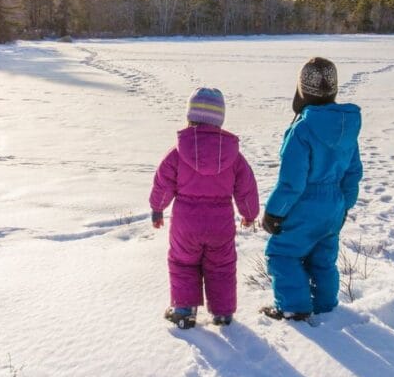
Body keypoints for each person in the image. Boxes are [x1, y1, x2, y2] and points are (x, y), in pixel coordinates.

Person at [260, 57, 363, 321]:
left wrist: (274, 212)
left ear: (302, 90)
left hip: (305, 204)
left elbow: (292, 182)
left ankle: (294, 307)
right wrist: (345, 205)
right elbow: (353, 173)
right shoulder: (347, 127)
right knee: (323, 258)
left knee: (282, 254)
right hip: (334, 206)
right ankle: (326, 306)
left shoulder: (302, 129)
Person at [150, 87, 260, 329]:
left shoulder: (178, 153)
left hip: (185, 224)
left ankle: (183, 310)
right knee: (221, 266)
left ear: (189, 116)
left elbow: (162, 182)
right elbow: (246, 186)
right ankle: (222, 313)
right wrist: (249, 214)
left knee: (182, 263)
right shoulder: (233, 156)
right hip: (220, 224)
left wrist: (157, 208)